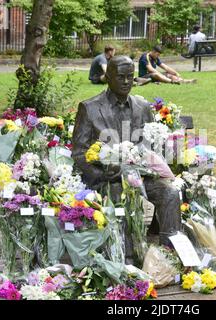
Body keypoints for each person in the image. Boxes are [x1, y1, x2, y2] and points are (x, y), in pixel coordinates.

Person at [72, 56, 182, 263]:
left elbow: (151, 143)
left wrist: (153, 160)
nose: (126, 82)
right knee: (117, 192)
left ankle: (170, 256)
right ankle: (126, 258)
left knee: (170, 193)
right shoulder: (90, 108)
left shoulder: (141, 106)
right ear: (108, 77)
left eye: (130, 77)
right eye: (120, 77)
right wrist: (101, 172)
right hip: (108, 178)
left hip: (143, 176)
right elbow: (79, 152)